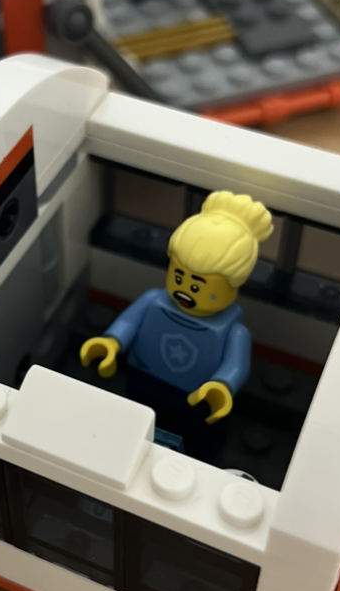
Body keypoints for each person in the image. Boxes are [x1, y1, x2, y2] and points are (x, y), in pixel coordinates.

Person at [81, 191, 273, 459]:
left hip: (196, 398)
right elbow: (128, 322)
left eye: (197, 286)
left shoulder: (233, 331)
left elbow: (237, 365)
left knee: (195, 443)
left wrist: (222, 386)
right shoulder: (153, 300)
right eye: (179, 277)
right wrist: (111, 342)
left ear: (233, 285)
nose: (185, 291)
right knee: (135, 428)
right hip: (144, 382)